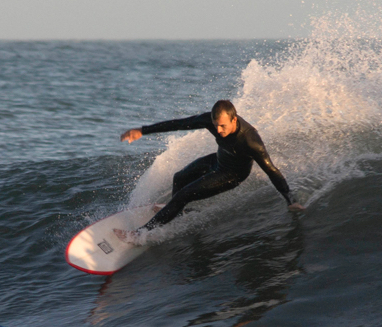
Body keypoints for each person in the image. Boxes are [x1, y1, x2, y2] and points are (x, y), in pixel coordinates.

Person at [117, 100, 303, 239]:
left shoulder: (250, 141)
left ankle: (139, 234)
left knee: (183, 195)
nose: (219, 130)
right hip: (219, 159)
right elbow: (180, 124)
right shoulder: (211, 121)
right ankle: (176, 213)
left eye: (223, 126)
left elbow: (271, 170)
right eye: (216, 126)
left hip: (232, 174)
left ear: (234, 119)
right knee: (179, 178)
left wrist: (289, 199)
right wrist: (143, 130)